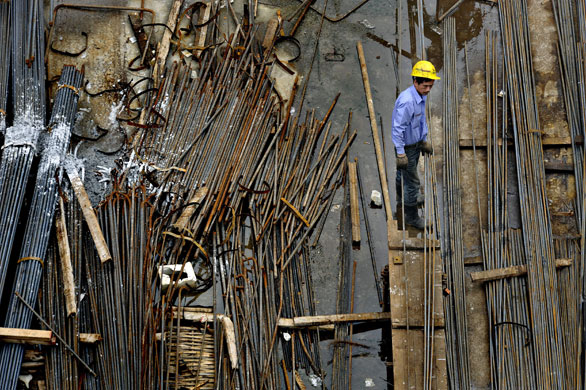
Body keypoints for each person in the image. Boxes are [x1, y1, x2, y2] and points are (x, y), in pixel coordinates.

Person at [392, 60, 440, 230]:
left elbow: (419, 121)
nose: (428, 90)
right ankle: (412, 217)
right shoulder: (407, 102)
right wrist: (400, 154)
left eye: (430, 86)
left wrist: (423, 140)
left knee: (402, 175)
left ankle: (401, 199)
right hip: (406, 148)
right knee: (412, 183)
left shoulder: (420, 96)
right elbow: (397, 129)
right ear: (415, 81)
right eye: (425, 86)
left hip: (415, 143)